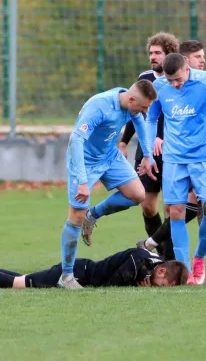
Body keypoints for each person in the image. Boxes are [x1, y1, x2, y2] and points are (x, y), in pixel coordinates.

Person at [138, 40, 206, 268]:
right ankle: (184, 267)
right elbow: (152, 117)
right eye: (169, 79)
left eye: (178, 79)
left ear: (187, 68)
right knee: (175, 212)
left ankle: (201, 257)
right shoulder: (161, 86)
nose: (174, 84)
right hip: (174, 159)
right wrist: (148, 151)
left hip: (203, 158)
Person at [58, 81, 158, 289]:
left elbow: (139, 121)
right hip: (84, 161)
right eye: (144, 107)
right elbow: (76, 140)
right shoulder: (99, 106)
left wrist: (147, 155)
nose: (145, 111)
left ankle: (92, 215)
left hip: (109, 156)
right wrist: (83, 181)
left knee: (138, 195)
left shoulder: (129, 103)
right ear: (132, 100)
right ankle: (66, 276)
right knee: (75, 215)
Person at [117, 32, 179, 257]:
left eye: (158, 53)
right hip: (146, 148)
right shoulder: (145, 77)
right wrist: (123, 142)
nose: (153, 57)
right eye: (151, 53)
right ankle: (161, 252)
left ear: (169, 54)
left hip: (171, 148)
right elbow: (136, 112)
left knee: (171, 206)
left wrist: (162, 136)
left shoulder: (178, 79)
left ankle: (169, 258)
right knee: (148, 205)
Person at [0, 247, 188, 290]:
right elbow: (109, 288)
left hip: (81, 267)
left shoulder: (154, 261)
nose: (157, 288)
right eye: (161, 286)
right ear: (162, 272)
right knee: (20, 284)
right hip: (78, 273)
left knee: (22, 279)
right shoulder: (140, 264)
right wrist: (137, 288)